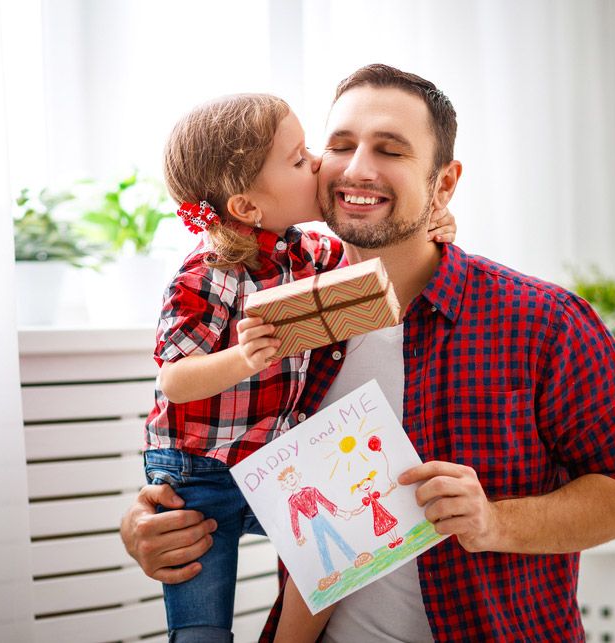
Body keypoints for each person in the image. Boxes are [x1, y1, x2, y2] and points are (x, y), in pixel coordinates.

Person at [121, 64, 615, 642]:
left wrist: (494, 521)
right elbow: (212, 445)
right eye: (338, 145)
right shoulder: (282, 319)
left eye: (391, 149)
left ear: (444, 184)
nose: (357, 168)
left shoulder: (543, 322)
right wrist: (156, 521)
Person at [143, 92, 456, 642]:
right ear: (245, 206)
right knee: (199, 628)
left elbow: (375, 258)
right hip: (201, 472)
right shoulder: (204, 274)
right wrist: (242, 358)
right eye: (298, 159)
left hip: (268, 464)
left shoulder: (306, 252)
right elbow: (173, 378)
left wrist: (435, 221)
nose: (315, 163)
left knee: (332, 552)